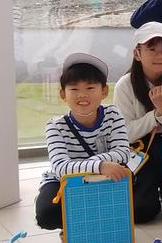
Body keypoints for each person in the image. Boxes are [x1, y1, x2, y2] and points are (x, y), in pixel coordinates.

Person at [35, 53, 133, 230]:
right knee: (47, 214)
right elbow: (60, 168)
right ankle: (74, 225)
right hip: (64, 181)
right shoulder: (55, 126)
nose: (82, 95)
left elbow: (123, 152)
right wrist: (100, 165)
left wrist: (96, 166)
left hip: (102, 178)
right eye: (74, 89)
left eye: (90, 88)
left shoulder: (113, 114)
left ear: (104, 91)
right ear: (63, 94)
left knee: (138, 205)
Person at [114, 22, 162, 223]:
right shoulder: (125, 85)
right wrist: (157, 114)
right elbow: (125, 134)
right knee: (141, 210)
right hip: (138, 150)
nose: (160, 55)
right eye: (151, 49)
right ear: (137, 53)